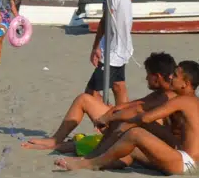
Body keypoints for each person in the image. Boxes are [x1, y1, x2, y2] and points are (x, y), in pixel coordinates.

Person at [57, 61, 199, 174]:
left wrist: (123, 122)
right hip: (191, 162)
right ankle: (103, 159)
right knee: (130, 147)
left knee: (135, 133)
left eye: (175, 75)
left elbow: (145, 118)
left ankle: (90, 163)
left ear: (185, 83)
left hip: (184, 162)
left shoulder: (182, 100)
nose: (171, 78)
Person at [22, 52, 177, 153]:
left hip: (150, 141)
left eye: (148, 75)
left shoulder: (169, 97)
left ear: (156, 76)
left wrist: (111, 117)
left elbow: (141, 114)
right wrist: (110, 113)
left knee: (113, 118)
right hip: (135, 130)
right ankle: (55, 140)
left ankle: (58, 144)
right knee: (84, 99)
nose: (146, 79)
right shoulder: (160, 93)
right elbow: (133, 104)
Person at [86, 0, 133, 106]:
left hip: (113, 52)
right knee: (119, 87)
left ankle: (109, 120)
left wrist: (96, 47)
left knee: (91, 93)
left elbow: (106, 20)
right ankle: (123, 123)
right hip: (122, 48)